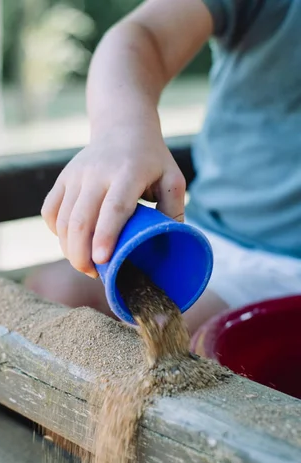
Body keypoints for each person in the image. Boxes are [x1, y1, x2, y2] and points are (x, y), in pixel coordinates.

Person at [26, 0, 301, 335]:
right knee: (51, 291)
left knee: (181, 341)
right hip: (203, 232)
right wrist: (122, 129)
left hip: (289, 268)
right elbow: (143, 35)